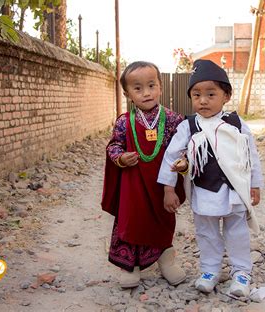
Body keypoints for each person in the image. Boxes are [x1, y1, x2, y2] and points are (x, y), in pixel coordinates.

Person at [157, 59, 263, 297]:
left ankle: (241, 273)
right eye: (196, 95)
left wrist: (255, 184)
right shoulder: (189, 126)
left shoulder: (236, 124)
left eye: (210, 94)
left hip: (235, 191)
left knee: (237, 233)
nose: (203, 100)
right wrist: (168, 189)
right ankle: (209, 270)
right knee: (207, 233)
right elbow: (170, 157)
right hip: (205, 192)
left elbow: (251, 155)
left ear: (226, 95)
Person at [101, 61, 187, 288]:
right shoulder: (124, 122)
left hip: (162, 186)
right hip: (133, 186)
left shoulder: (174, 120)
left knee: (164, 220)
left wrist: (183, 163)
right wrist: (120, 157)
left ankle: (166, 261)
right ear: (127, 94)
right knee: (131, 221)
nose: (146, 93)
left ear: (160, 87)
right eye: (137, 88)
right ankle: (130, 266)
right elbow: (113, 146)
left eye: (151, 85)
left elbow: (184, 150)